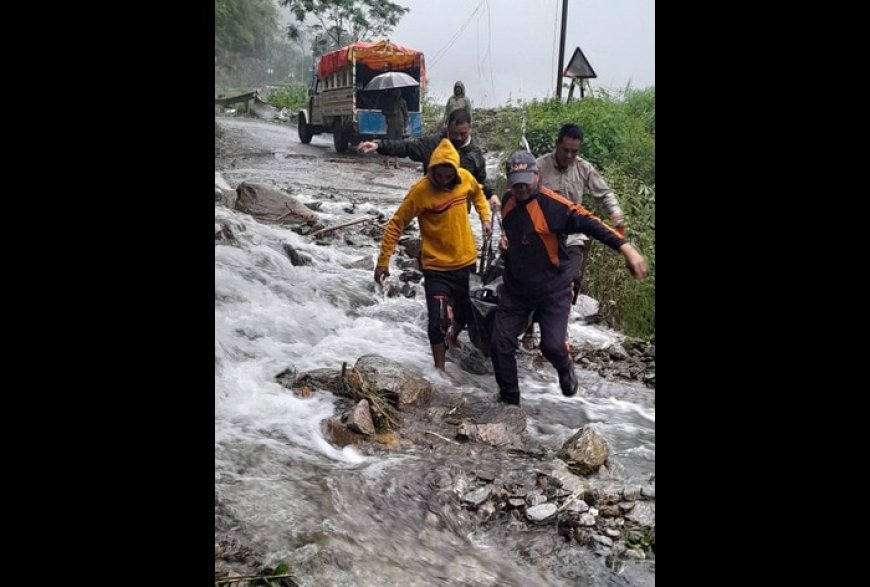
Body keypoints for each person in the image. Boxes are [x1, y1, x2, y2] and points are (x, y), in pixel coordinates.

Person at [489, 151, 647, 406]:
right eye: (515, 182)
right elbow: (517, 231)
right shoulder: (508, 201)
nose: (520, 188)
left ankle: (565, 367)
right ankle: (510, 401)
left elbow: (592, 223)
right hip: (517, 287)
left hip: (553, 287)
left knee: (551, 346)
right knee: (499, 343)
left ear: (537, 175)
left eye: (525, 181)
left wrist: (625, 248)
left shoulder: (554, 206)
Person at [374, 138, 492, 371]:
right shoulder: (420, 191)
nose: (444, 181)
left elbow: (478, 195)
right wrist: (383, 261)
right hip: (436, 267)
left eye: (449, 177)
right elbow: (396, 224)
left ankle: (454, 336)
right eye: (440, 175)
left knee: (466, 312)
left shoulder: (465, 178)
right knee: (437, 321)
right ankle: (440, 370)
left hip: (466, 261)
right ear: (432, 169)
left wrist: (485, 217)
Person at [519, 123, 628, 349]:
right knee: (536, 282)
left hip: (572, 236)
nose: (569, 156)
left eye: (574, 152)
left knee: (571, 281)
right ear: (556, 144)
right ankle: (529, 329)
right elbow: (522, 197)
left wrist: (616, 214)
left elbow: (604, 193)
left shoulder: (583, 169)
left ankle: (558, 334)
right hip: (543, 235)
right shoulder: (538, 167)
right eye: (565, 150)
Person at [358, 108, 497, 209]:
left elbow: (481, 181)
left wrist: (492, 195)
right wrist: (379, 145)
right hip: (432, 208)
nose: (459, 138)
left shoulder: (474, 153)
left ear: (470, 129)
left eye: (463, 133)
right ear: (447, 128)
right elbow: (406, 146)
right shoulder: (432, 144)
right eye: (454, 133)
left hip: (459, 211)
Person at [380, 88, 408, 169]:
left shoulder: (403, 102)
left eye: (398, 92)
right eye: (396, 92)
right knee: (389, 143)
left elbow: (406, 114)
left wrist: (405, 126)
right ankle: (387, 162)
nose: (397, 94)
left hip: (400, 125)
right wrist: (390, 113)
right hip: (391, 125)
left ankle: (396, 163)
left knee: (398, 144)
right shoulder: (389, 101)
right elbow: (383, 111)